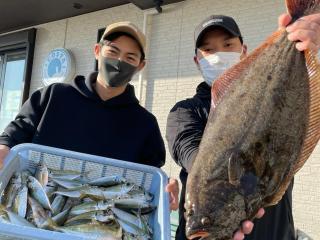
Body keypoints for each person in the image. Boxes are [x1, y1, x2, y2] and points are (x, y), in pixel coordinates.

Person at [166, 13, 320, 240]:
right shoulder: (185, 111)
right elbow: (189, 152)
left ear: (244, 51)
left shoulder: (269, 97)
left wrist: (310, 48)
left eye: (228, 45)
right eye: (208, 50)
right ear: (197, 60)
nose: (219, 55)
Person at [0, 21, 179, 210]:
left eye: (130, 57)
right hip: (34, 206)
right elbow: (16, 132)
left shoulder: (145, 124)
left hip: (99, 221)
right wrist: (4, 147)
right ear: (97, 51)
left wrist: (167, 190)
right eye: (113, 52)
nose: (119, 62)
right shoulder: (53, 96)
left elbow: (149, 178)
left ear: (140, 66)